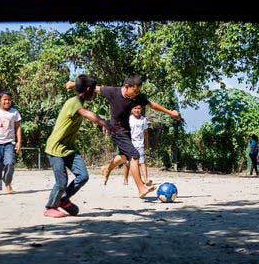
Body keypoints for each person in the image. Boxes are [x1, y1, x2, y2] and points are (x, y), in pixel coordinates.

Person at [65, 74, 180, 199]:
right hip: (116, 130)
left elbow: (152, 104)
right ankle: (141, 188)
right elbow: (94, 88)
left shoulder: (137, 97)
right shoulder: (113, 92)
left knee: (124, 157)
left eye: (138, 91)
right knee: (134, 156)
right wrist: (73, 84)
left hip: (126, 131)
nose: (137, 94)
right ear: (127, 86)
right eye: (135, 91)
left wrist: (170, 112)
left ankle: (107, 169)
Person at [45, 75, 111, 218]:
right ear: (88, 90)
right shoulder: (74, 103)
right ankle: (50, 207)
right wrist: (105, 123)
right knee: (61, 182)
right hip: (56, 148)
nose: (94, 93)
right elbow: (88, 114)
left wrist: (73, 84)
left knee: (83, 176)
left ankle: (63, 200)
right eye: (93, 90)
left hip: (68, 148)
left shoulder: (79, 99)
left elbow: (83, 87)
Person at [123, 104, 152, 186]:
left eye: (138, 108)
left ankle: (145, 179)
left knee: (142, 162)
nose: (137, 110)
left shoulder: (143, 119)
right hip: (129, 144)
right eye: (135, 108)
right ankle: (125, 179)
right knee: (128, 163)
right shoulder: (128, 119)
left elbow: (145, 132)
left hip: (140, 144)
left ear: (141, 109)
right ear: (131, 110)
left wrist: (146, 143)